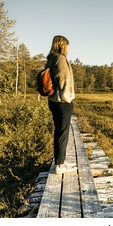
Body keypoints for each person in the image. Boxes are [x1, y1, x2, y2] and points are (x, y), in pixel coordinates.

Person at [46, 35, 76, 174]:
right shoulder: (60, 58)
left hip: (52, 101)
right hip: (62, 101)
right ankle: (60, 165)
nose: (68, 48)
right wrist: (68, 98)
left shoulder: (50, 58)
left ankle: (59, 161)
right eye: (67, 45)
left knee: (58, 131)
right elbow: (63, 79)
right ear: (62, 45)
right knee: (63, 133)